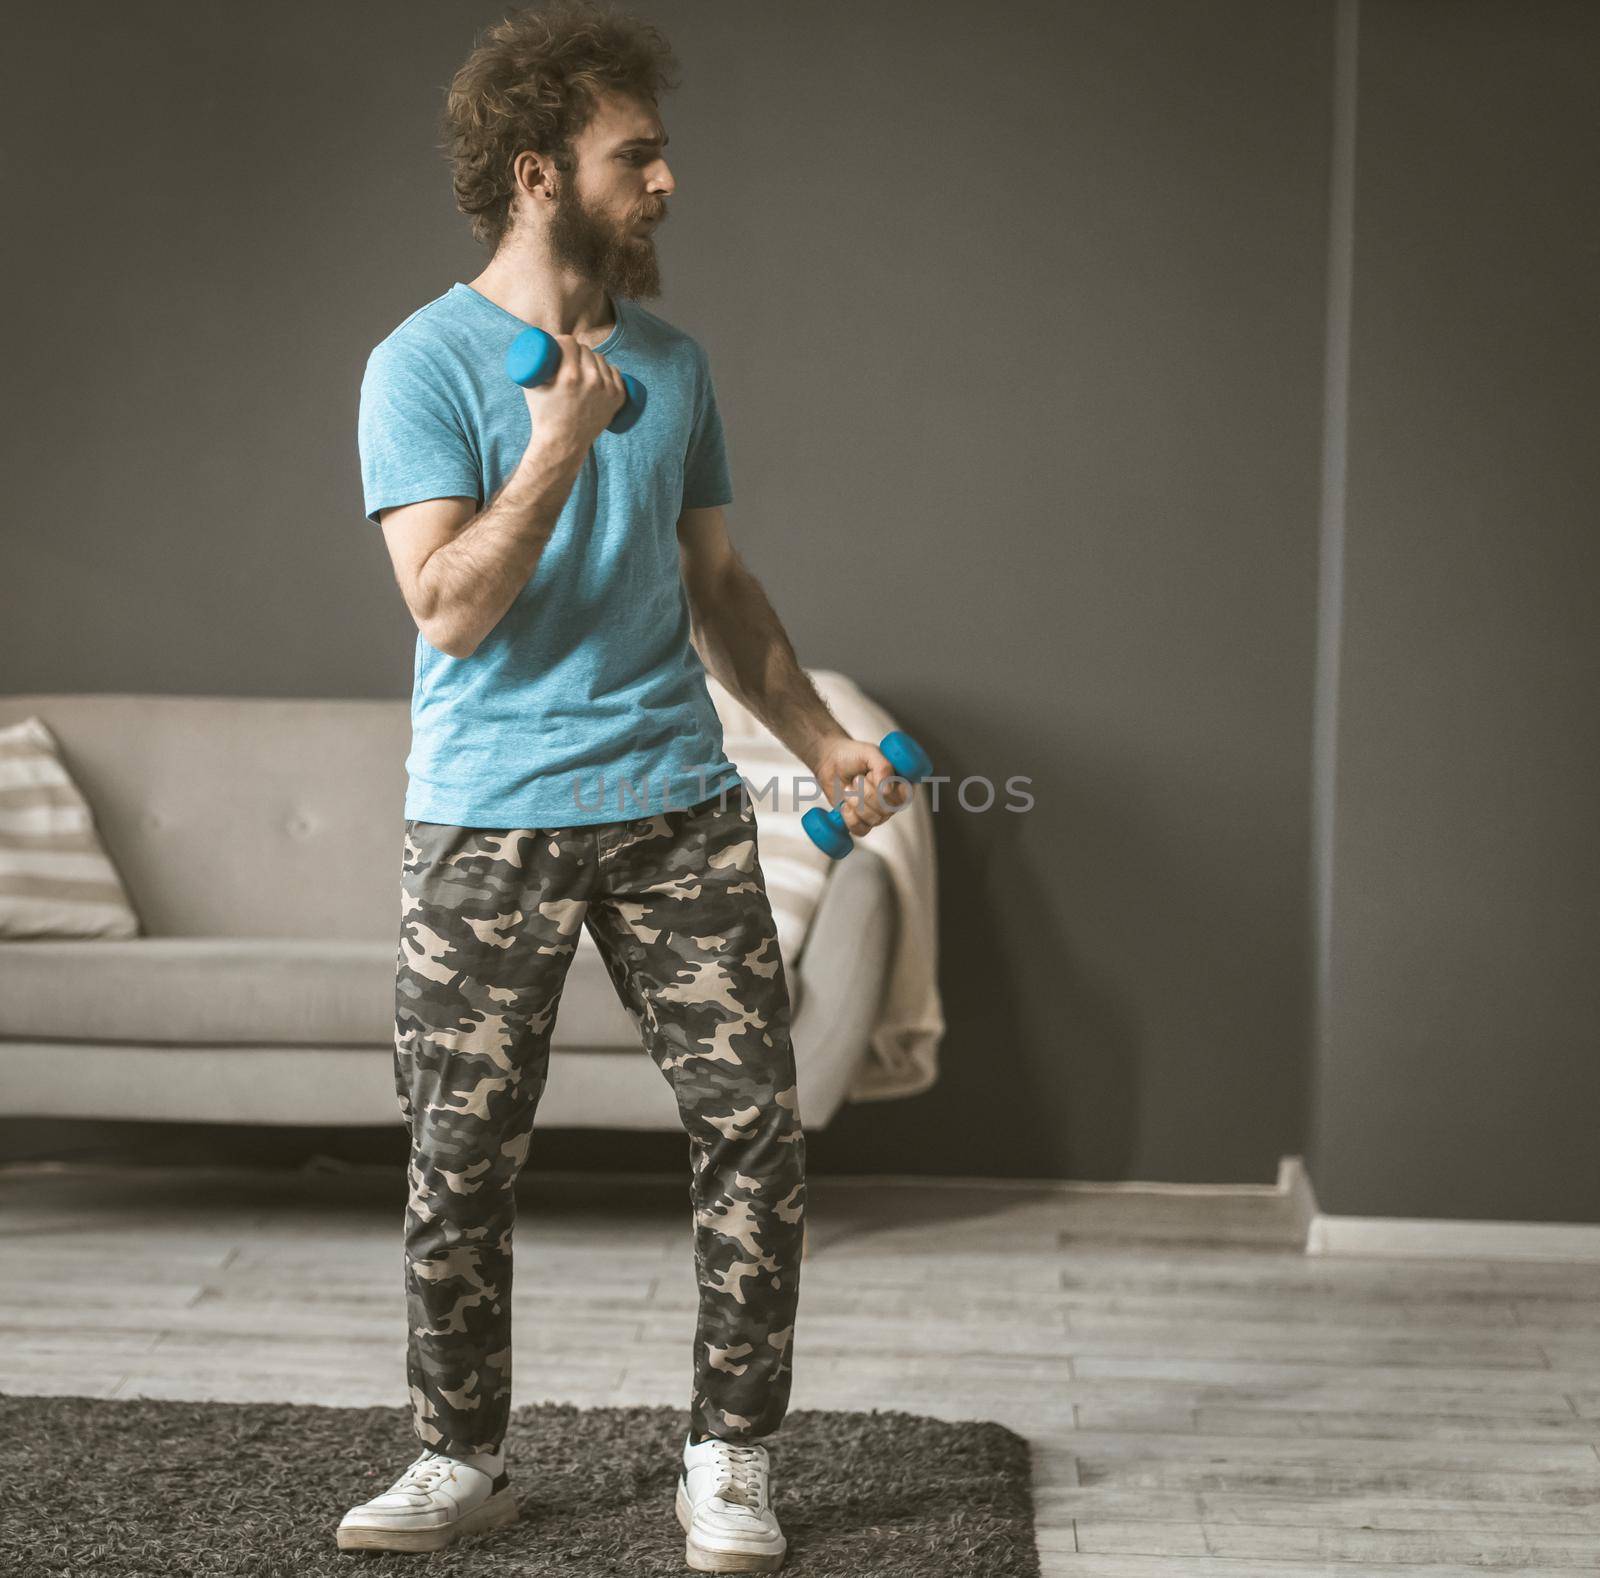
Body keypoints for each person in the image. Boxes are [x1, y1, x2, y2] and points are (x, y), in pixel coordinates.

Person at [339, 1, 909, 1568]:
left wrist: (823, 745)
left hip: (670, 803)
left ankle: (731, 1453)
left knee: (752, 1126)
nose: (666, 181)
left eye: (660, 153)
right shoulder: (421, 362)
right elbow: (446, 604)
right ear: (538, 174)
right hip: (484, 818)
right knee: (461, 1154)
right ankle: (458, 1454)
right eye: (633, 156)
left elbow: (720, 590)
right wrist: (554, 447)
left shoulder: (676, 359)